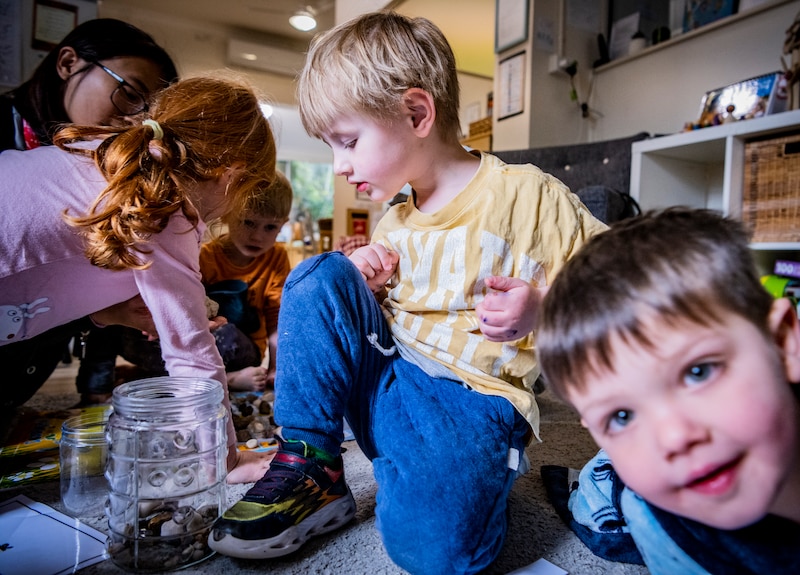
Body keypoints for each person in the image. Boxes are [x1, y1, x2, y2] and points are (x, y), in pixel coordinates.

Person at [207, 11, 608, 574]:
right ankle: (310, 462)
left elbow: (619, 280)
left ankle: (450, 477)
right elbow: (367, 324)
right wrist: (364, 291)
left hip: (473, 402)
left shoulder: (528, 195)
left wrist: (546, 304)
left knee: (434, 553)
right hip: (387, 380)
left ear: (417, 113)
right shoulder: (394, 221)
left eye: (347, 142)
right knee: (321, 274)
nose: (339, 166)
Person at [536, 207, 800, 574]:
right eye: (620, 416)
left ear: (783, 344)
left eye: (698, 372)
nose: (674, 437)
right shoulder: (659, 526)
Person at [0, 74, 278, 483]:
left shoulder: (107, 157)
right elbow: (191, 356)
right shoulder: (170, 213)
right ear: (230, 175)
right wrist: (224, 459)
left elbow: (57, 265)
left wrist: (110, 311)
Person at [0, 18, 179, 405]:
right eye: (129, 92)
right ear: (68, 63)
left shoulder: (112, 171)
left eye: (150, 112)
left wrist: (105, 316)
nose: (136, 120)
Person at [117, 171, 294, 391]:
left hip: (241, 348)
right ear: (227, 214)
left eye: (270, 227)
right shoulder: (205, 254)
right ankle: (161, 375)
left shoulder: (277, 258)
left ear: (283, 225)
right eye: (248, 223)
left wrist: (276, 369)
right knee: (124, 331)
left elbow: (277, 319)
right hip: (197, 339)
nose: (258, 236)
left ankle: (220, 379)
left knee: (227, 335)